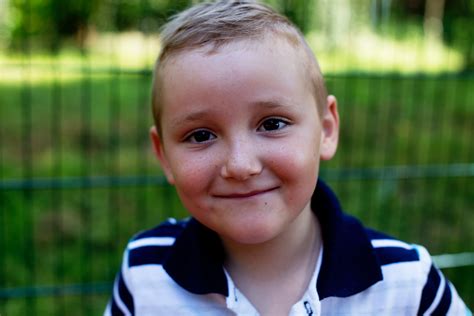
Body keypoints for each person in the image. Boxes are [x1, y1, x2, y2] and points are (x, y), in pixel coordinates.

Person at [105, 1, 470, 315]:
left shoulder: (408, 285)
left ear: (326, 130)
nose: (241, 165)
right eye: (201, 135)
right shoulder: (144, 273)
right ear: (164, 155)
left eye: (272, 123)